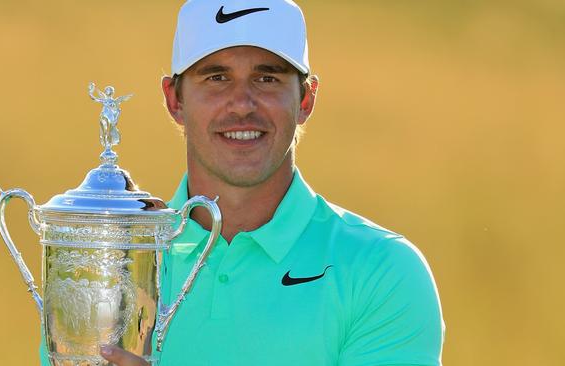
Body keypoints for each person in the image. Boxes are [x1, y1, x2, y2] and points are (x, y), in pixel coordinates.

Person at [44, 0, 445, 365]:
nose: (242, 103)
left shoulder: (380, 270)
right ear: (175, 100)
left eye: (267, 79)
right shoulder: (103, 263)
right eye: (217, 77)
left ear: (306, 99)